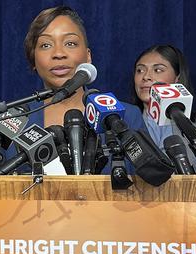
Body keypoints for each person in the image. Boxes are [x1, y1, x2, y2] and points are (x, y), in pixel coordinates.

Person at [15, 6, 145, 174]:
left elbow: (149, 191)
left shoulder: (128, 115)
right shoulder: (16, 121)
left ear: (88, 56)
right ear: (33, 59)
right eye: (46, 45)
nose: (59, 53)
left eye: (70, 43)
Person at [132, 44, 196, 173]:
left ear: (177, 78)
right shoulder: (121, 122)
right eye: (140, 70)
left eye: (158, 70)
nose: (146, 76)